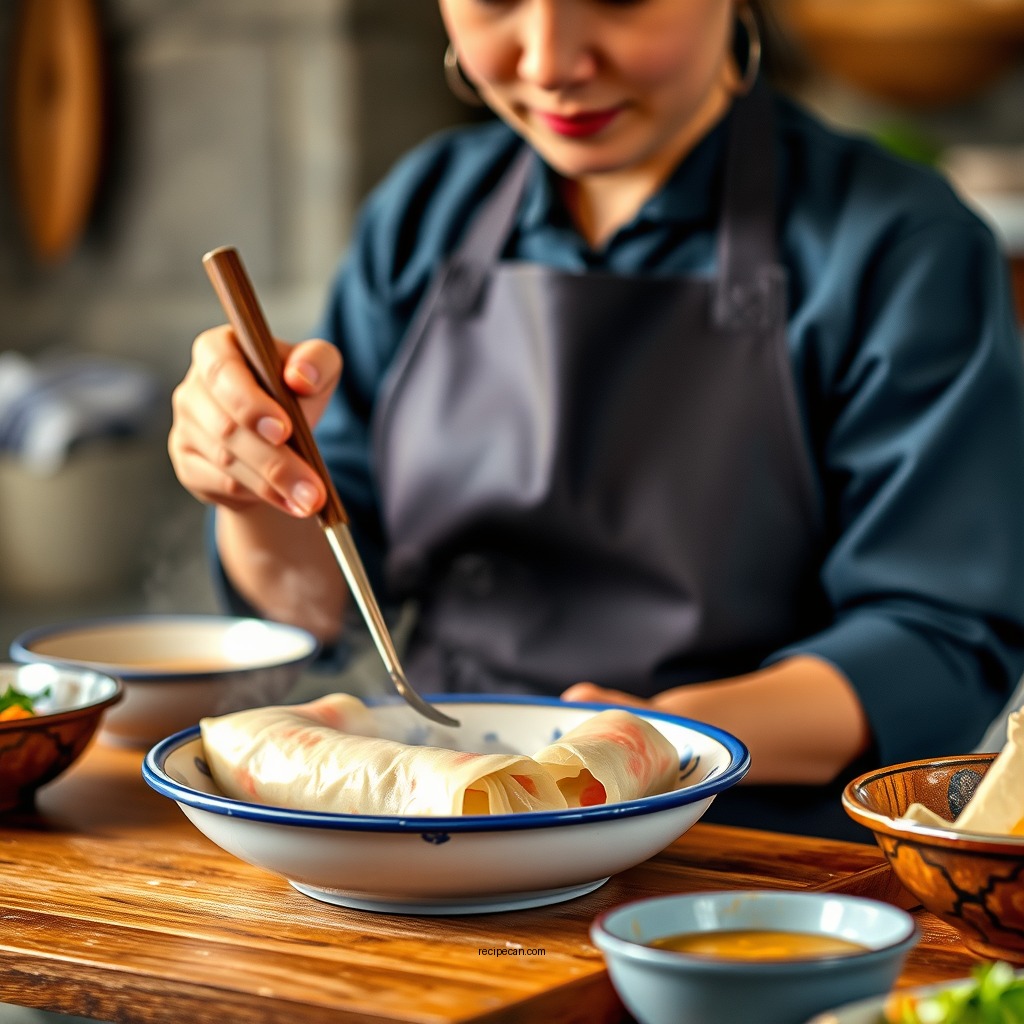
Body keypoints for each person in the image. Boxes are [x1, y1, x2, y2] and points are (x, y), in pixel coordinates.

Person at [168, 0, 1024, 840]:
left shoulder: (900, 244)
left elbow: (938, 640)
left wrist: (644, 748)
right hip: (435, 836)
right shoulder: (423, 213)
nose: (549, 61)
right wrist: (255, 482)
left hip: (749, 872)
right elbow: (316, 613)